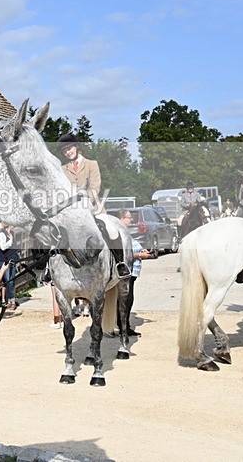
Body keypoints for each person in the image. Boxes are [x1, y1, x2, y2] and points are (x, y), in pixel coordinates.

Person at [57, 133, 130, 279]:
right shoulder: (63, 169)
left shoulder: (91, 164)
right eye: (64, 151)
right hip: (72, 211)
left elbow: (95, 187)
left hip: (94, 208)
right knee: (56, 234)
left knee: (112, 229)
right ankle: (51, 269)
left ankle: (120, 263)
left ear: (76, 147)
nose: (68, 152)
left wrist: (84, 203)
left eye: (69, 148)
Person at [115, 209, 151, 337]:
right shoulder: (119, 233)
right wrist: (140, 255)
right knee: (126, 299)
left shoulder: (126, 233)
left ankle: (124, 325)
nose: (131, 220)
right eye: (129, 217)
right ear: (121, 219)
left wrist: (142, 251)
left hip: (131, 271)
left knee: (128, 299)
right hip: (126, 271)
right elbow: (124, 253)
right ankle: (123, 327)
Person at [0, 223, 19, 310]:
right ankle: (11, 301)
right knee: (8, 281)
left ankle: (10, 300)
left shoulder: (12, 233)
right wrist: (10, 241)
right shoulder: (2, 234)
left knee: (12, 281)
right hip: (4, 260)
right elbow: (2, 248)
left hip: (11, 259)